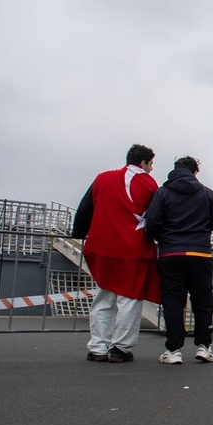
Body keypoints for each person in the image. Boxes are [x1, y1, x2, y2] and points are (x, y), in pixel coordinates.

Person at [72, 144, 160, 363]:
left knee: (104, 297)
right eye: (150, 165)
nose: (151, 170)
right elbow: (156, 218)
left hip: (101, 247)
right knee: (129, 299)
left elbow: (84, 210)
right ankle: (120, 348)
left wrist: (78, 234)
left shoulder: (102, 178)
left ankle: (97, 347)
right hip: (132, 250)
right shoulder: (148, 184)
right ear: (143, 163)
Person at [144, 156, 213, 364]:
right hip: (200, 253)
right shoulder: (206, 193)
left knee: (173, 302)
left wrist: (164, 236)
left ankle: (173, 350)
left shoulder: (162, 192)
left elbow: (151, 223)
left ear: (175, 170)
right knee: (203, 302)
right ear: (195, 172)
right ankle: (204, 346)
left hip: (171, 253)